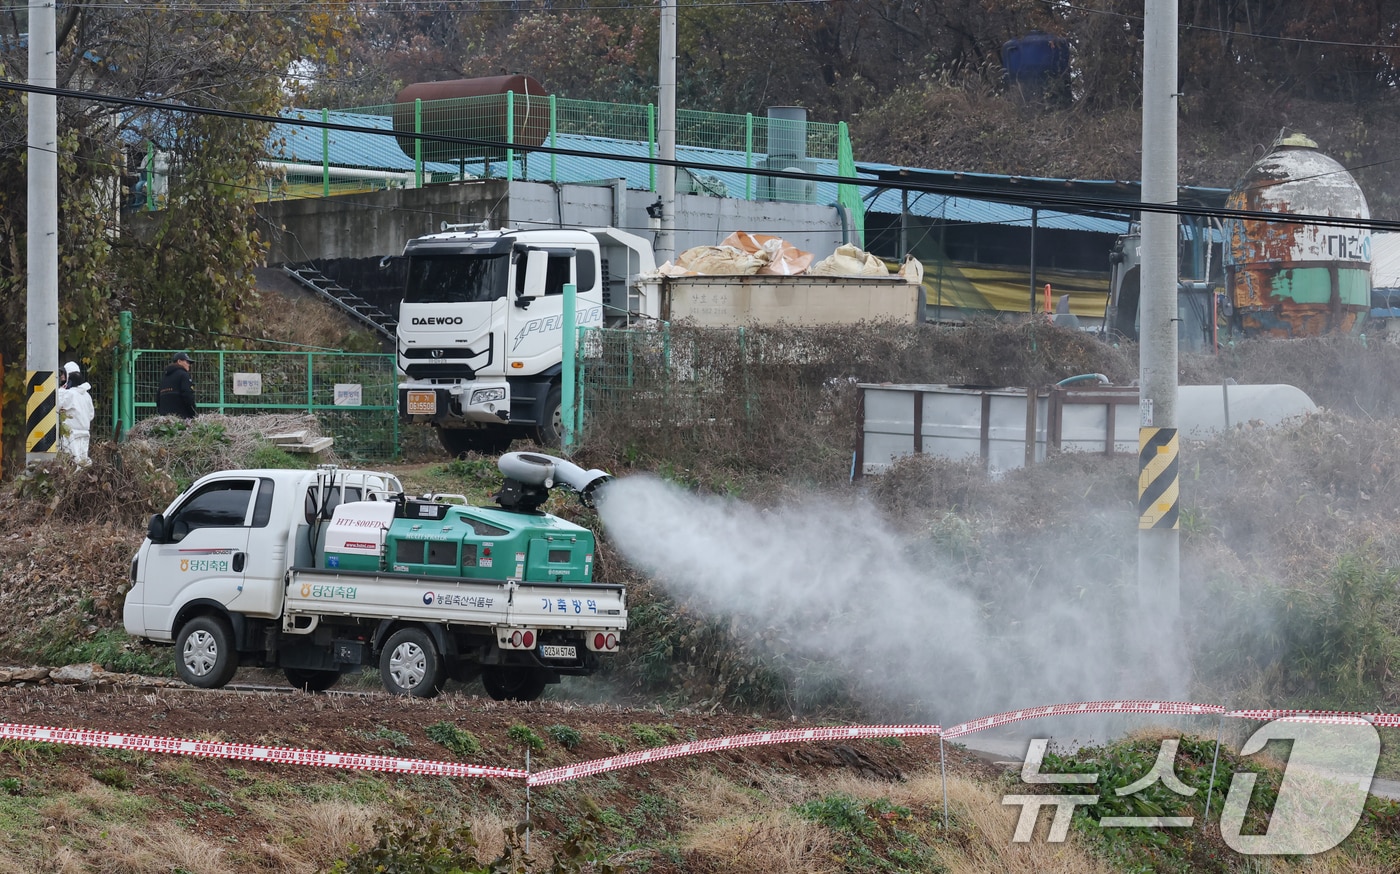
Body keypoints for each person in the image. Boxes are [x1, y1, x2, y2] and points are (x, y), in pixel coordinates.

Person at [56, 361, 95, 463]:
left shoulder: (68, 394)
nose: (62, 378)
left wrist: (61, 389)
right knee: (83, 463)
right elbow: (91, 415)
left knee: (71, 464)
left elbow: (55, 403)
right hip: (85, 433)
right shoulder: (86, 395)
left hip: (71, 434)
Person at [156, 351, 197, 419]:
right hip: (181, 417)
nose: (189, 364)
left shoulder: (164, 377)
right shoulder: (183, 375)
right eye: (187, 362)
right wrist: (193, 413)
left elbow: (158, 398)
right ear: (179, 361)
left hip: (164, 419)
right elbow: (188, 395)